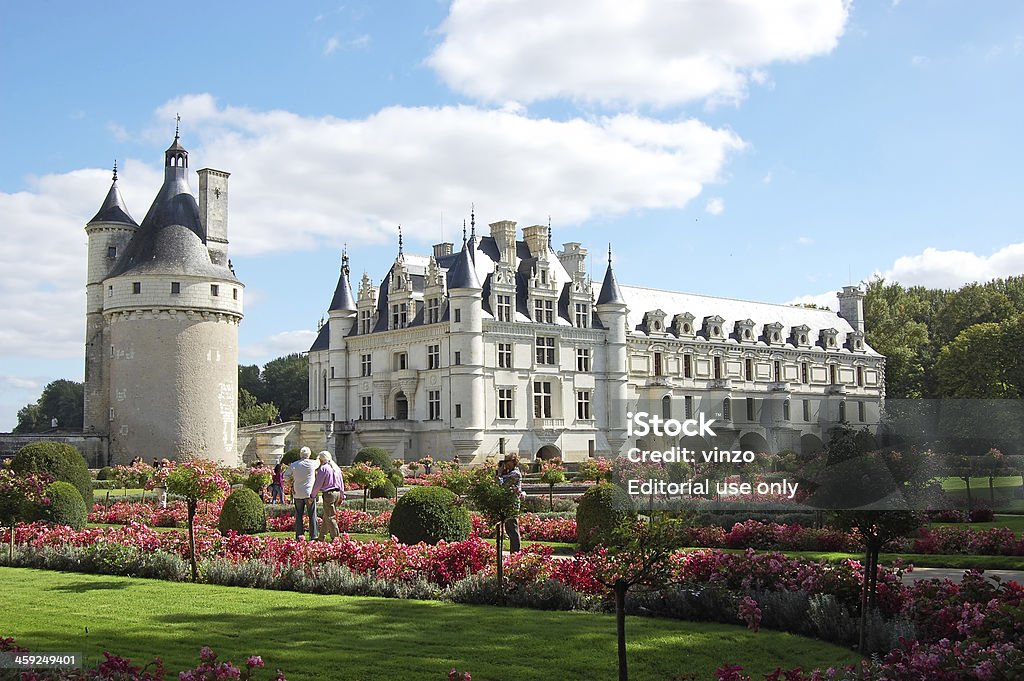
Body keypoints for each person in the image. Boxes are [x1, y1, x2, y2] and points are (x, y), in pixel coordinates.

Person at [283, 447, 319, 540]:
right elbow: (319, 461)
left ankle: (299, 536)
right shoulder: (312, 463)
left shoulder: (294, 465)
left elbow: (285, 476)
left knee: (298, 515)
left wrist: (292, 483)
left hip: (297, 492)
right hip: (309, 493)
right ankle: (313, 536)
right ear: (309, 455)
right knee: (312, 515)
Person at [310, 451, 345, 542]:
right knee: (327, 516)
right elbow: (341, 483)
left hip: (329, 494)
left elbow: (318, 484)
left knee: (330, 517)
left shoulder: (323, 469)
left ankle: (336, 538)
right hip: (337, 494)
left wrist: (312, 496)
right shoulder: (336, 468)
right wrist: (342, 495)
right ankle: (321, 537)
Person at [496, 453, 525, 553]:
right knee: (509, 529)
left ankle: (516, 553)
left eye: (507, 461)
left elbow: (502, 485)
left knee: (512, 528)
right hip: (507, 503)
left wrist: (499, 474)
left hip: (512, 504)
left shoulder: (515, 474)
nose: (506, 464)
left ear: (513, 462)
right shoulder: (508, 472)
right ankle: (514, 553)